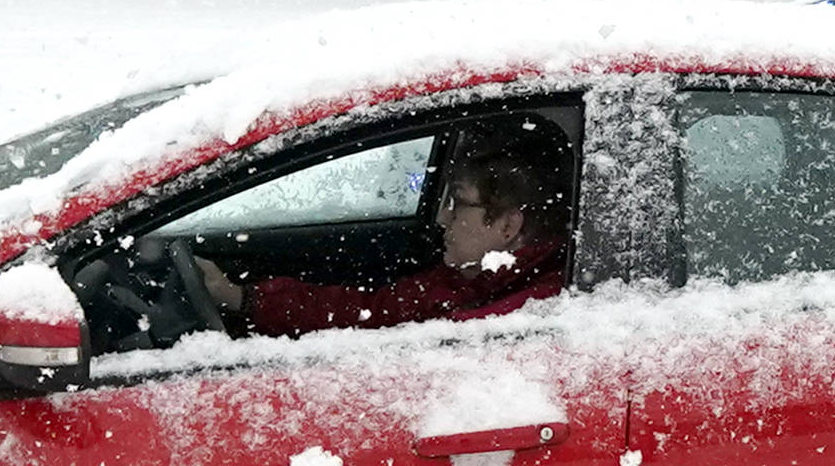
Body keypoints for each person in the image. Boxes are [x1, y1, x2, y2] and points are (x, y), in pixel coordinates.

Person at [193, 121, 573, 338]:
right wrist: (242, 298)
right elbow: (371, 311)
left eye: (457, 203)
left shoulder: (513, 322)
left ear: (507, 225)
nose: (442, 220)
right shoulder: (475, 282)